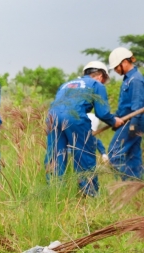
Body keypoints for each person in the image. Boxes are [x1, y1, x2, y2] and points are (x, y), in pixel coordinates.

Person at [44, 61, 123, 196]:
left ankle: (55, 194)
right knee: (83, 155)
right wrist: (113, 121)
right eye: (104, 80)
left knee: (55, 156)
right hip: (74, 117)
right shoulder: (96, 84)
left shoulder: (66, 84)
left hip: (52, 118)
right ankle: (89, 194)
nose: (103, 83)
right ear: (100, 75)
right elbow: (102, 112)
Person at [108, 47, 144, 181]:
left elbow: (137, 105)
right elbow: (124, 105)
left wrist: (133, 125)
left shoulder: (135, 80)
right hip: (127, 119)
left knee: (114, 154)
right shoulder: (128, 79)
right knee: (133, 155)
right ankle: (135, 185)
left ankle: (126, 183)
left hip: (134, 121)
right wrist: (115, 118)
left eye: (116, 67)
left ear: (124, 62)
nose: (116, 70)